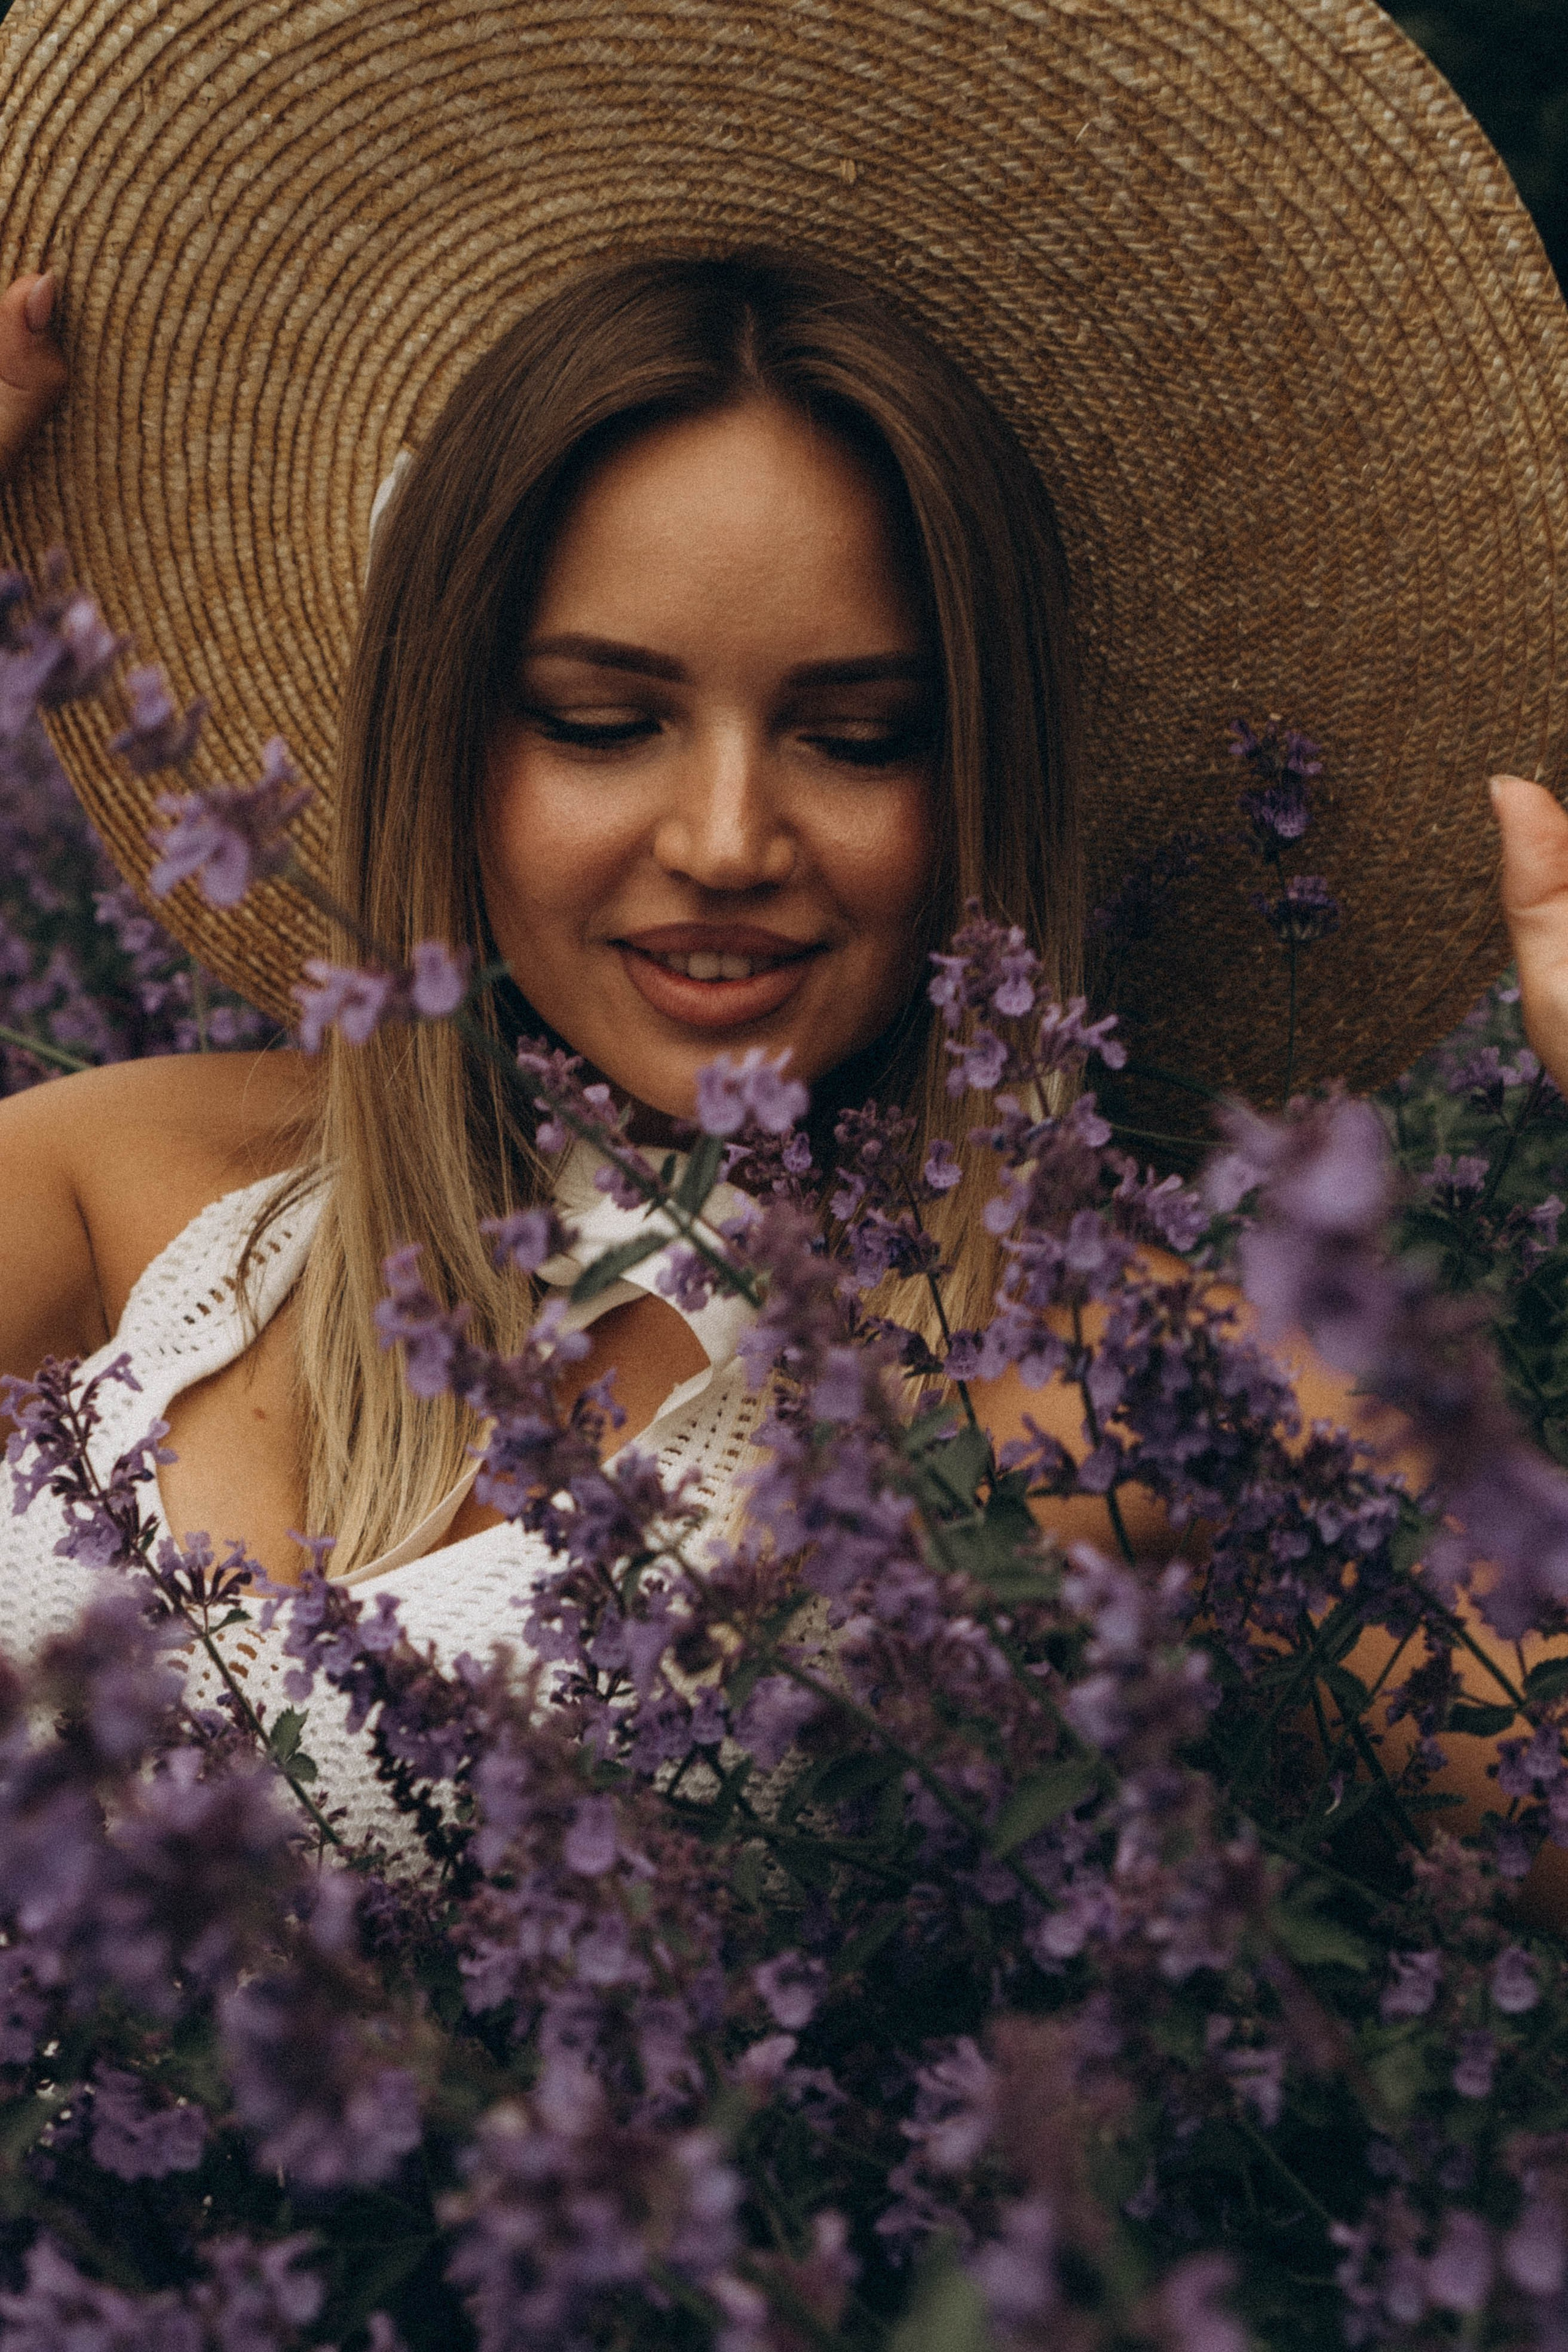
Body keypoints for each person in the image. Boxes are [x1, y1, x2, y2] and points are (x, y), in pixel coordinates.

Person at [2, 0, 1567, 1850]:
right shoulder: (139, 1185)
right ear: (449, 741)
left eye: (861, 735)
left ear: (979, 777)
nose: (731, 838)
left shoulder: (1130, 1382)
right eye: (602, 719)